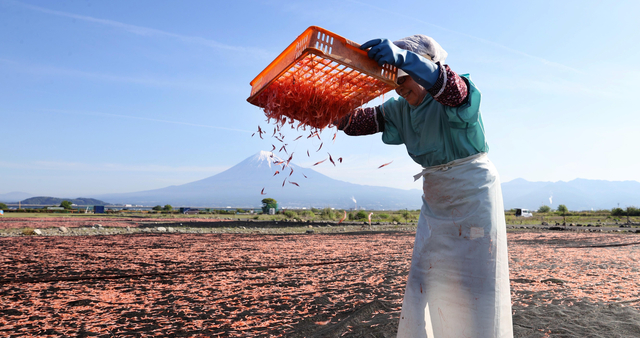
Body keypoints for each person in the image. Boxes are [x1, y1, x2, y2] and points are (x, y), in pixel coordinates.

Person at [335, 35, 513, 337]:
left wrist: (404, 59)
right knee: (427, 281)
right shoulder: (399, 108)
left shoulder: (455, 94)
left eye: (404, 76)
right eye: (394, 79)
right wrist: (321, 106)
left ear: (426, 66)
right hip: (435, 201)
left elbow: (448, 87)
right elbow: (353, 123)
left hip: (473, 197)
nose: (399, 85)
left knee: (477, 287)